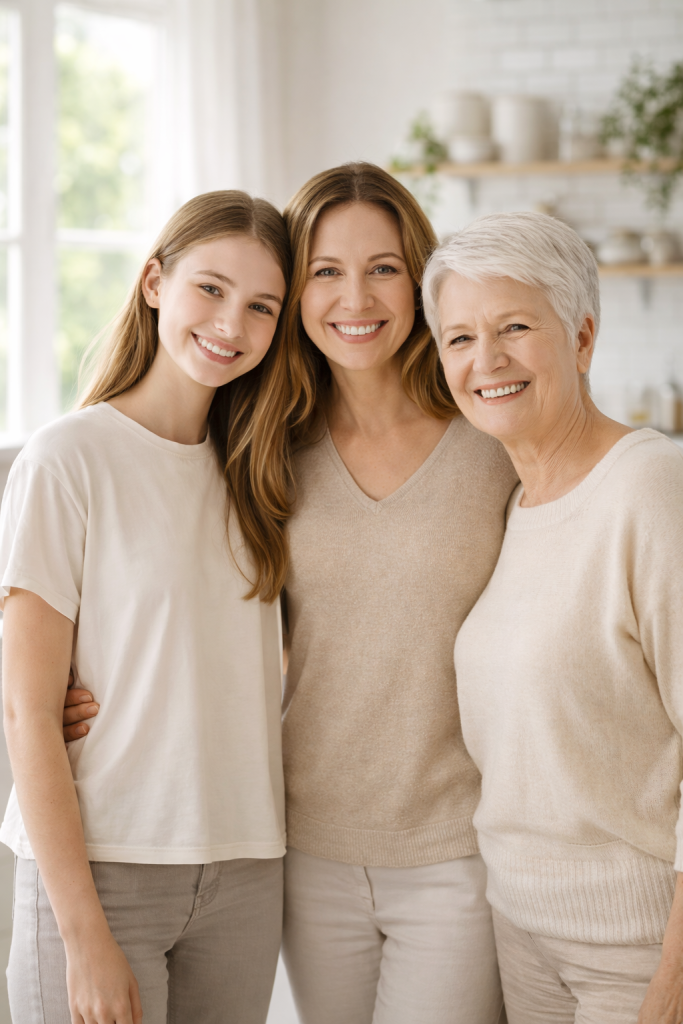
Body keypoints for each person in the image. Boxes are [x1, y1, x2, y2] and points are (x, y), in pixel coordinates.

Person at [65, 163, 517, 1024]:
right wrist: (62, 689)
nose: (357, 297)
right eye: (325, 271)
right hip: (302, 849)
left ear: (418, 277)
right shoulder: (263, 447)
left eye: (383, 267)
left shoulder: (488, 435)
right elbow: (161, 584)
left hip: (458, 850)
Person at [1, 190, 293, 1024]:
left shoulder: (261, 474)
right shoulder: (69, 459)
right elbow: (26, 712)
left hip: (244, 868)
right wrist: (85, 935)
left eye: (261, 306)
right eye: (210, 288)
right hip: (104, 870)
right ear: (154, 282)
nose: (231, 323)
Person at [423, 210, 683, 1024]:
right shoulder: (508, 502)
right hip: (520, 936)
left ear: (579, 338)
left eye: (513, 327)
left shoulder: (649, 490)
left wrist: (668, 995)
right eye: (458, 338)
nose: (485, 360)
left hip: (636, 954)